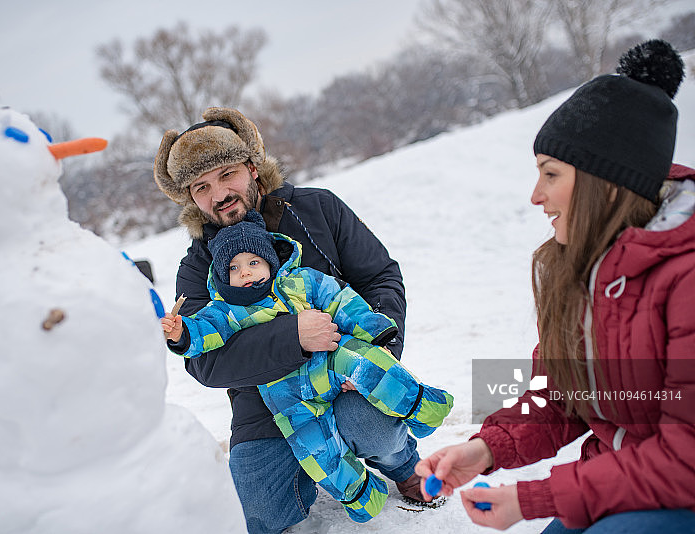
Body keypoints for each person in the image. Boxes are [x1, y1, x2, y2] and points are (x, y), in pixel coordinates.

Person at [415, 39, 695, 533]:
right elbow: (562, 394)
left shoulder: (685, 277)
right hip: (620, 479)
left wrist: (536, 498)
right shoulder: (580, 269)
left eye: (551, 174)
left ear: (605, 184)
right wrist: (484, 450)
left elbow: (686, 459)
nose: (536, 196)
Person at [153, 107, 431, 533]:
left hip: (342, 372)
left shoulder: (317, 209)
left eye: (228, 174)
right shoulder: (196, 268)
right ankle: (321, 475)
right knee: (262, 516)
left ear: (252, 167)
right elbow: (205, 364)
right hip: (263, 402)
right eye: (202, 186)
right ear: (191, 198)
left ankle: (401, 462)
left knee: (375, 426)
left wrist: (378, 351)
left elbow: (379, 276)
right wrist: (294, 336)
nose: (219, 193)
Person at [161, 210, 453, 522]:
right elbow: (202, 337)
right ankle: (360, 494)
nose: (245, 272)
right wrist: (182, 333)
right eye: (234, 267)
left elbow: (343, 301)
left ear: (270, 261)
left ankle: (420, 408)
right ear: (221, 275)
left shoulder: (301, 282)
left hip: (330, 361)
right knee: (317, 450)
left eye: (253, 262)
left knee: (367, 365)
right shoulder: (225, 311)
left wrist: (376, 332)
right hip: (287, 397)